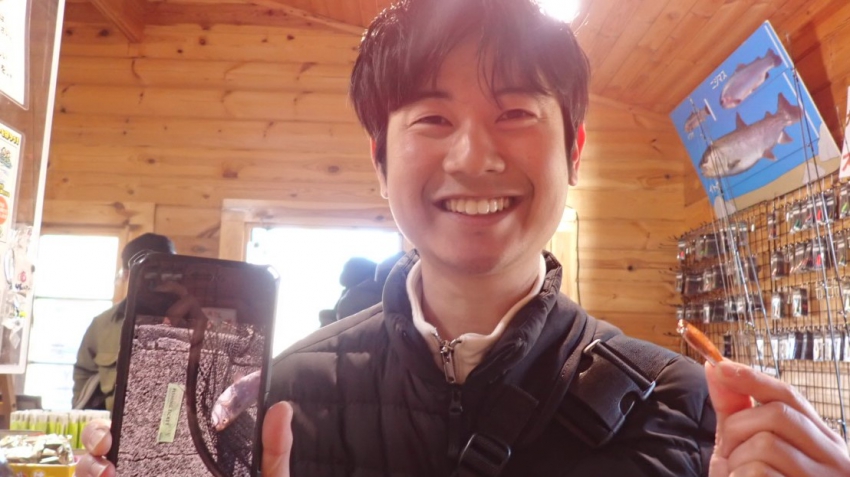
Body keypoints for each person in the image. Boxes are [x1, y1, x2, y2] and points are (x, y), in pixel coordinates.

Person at [77, 0, 850, 475]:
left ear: (574, 151)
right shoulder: (272, 405)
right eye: (432, 118)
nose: (474, 157)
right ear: (380, 161)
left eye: (515, 113)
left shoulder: (690, 415)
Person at [72, 233, 176, 410]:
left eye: (168, 273)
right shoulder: (102, 325)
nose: (159, 281)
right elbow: (84, 379)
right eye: (150, 273)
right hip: (112, 425)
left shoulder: (195, 320)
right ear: (127, 275)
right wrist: (90, 420)